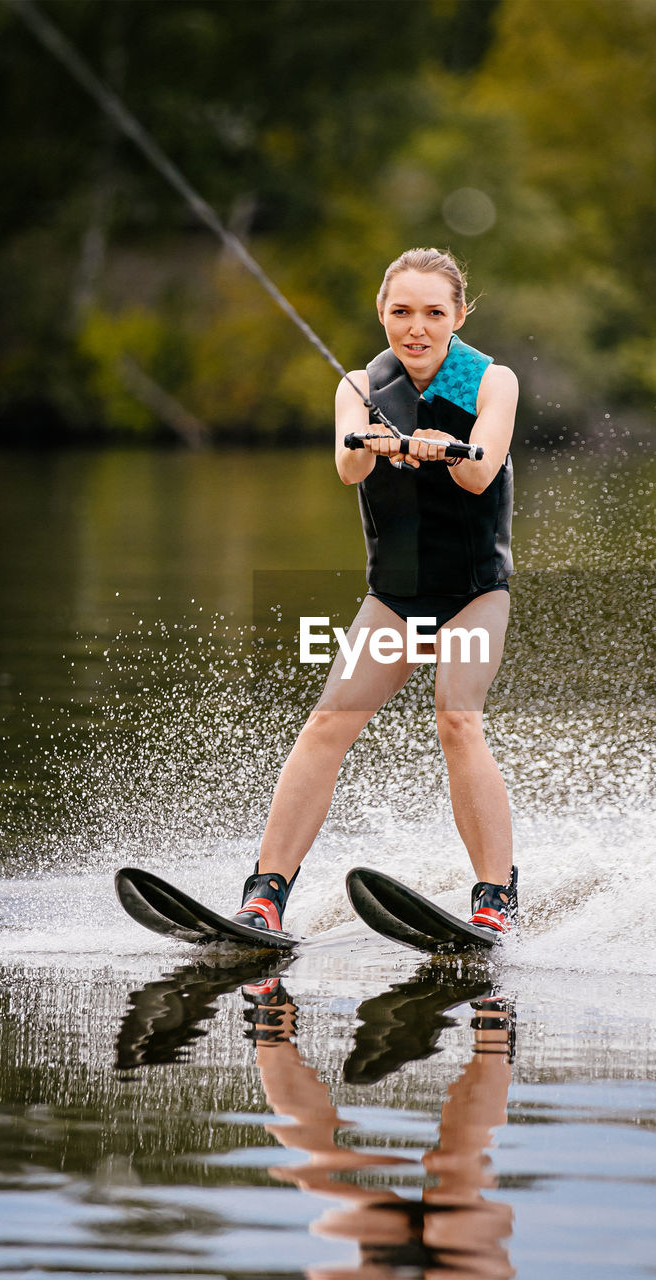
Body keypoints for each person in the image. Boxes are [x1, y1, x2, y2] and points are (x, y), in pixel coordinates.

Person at [235, 248, 519, 938]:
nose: (414, 328)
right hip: (393, 597)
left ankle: (495, 899)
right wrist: (376, 444)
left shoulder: (491, 382)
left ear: (457, 316)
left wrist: (439, 447)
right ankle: (265, 894)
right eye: (400, 312)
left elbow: (481, 472)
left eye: (431, 313)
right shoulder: (360, 386)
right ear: (382, 314)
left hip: (472, 593)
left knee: (456, 718)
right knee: (329, 721)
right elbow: (345, 464)